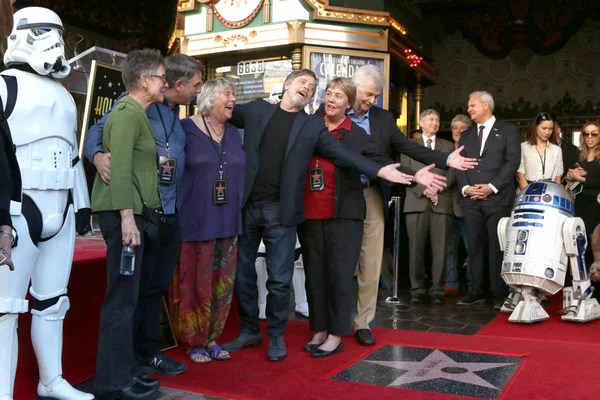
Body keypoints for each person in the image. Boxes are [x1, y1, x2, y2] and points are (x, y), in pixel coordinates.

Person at [222, 68, 447, 362]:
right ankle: (257, 329)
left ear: (347, 102)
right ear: (287, 85)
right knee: (249, 274)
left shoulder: (310, 127)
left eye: (316, 87)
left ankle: (281, 335)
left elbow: (348, 155)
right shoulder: (259, 111)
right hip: (265, 209)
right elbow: (222, 112)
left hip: (297, 212)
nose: (313, 90)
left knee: (283, 279)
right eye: (309, 85)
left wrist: (390, 171)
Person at [336, 65, 477, 347]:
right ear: (352, 89)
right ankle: (332, 320)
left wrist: (446, 160)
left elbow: (411, 148)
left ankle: (363, 322)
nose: (371, 101)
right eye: (367, 95)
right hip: (339, 193)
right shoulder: (333, 112)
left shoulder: (384, 119)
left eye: (376, 96)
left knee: (371, 260)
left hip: (371, 192)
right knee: (337, 258)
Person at [85, 53, 203, 377]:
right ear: (175, 83)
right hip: (140, 212)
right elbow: (98, 131)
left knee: (154, 287)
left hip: (167, 211)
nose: (197, 92)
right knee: (129, 293)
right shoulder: (130, 106)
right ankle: (126, 367)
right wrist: (97, 156)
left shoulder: (175, 113)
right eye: (195, 85)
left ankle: (147, 354)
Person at [1, 7, 93, 400]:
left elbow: (72, 156)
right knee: (5, 308)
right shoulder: (5, 86)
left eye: (57, 31)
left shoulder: (63, 95)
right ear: (20, 34)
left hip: (62, 207)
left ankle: (51, 380)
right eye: (42, 31)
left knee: (53, 302)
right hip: (19, 208)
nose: (53, 40)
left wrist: (83, 207)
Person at [299, 78, 397, 358]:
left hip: (345, 214)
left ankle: (335, 333)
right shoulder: (310, 125)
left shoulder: (356, 136)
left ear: (348, 103)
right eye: (328, 94)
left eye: (338, 96)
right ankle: (318, 328)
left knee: (339, 275)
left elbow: (379, 161)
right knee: (314, 275)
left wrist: (413, 175)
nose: (331, 99)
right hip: (310, 213)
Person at [91, 48, 167, 399]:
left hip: (135, 214)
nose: (166, 83)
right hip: (126, 216)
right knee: (121, 300)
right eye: (162, 77)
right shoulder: (125, 113)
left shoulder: (137, 113)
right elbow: (118, 167)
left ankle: (127, 372)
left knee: (129, 298)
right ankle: (113, 383)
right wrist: (126, 219)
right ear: (144, 80)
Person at [168, 78, 245, 364]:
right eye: (228, 93)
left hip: (228, 222)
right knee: (193, 284)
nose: (233, 99)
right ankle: (194, 341)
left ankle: (212, 337)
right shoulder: (184, 129)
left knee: (221, 285)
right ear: (210, 99)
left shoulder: (237, 133)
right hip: (194, 220)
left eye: (234, 94)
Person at [456, 91, 521, 309]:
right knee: (474, 246)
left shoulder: (509, 130)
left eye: (472, 105)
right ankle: (476, 290)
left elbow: (512, 163)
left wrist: (491, 187)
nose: (469, 109)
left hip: (498, 198)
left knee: (497, 246)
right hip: (471, 200)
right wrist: (466, 188)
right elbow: (459, 164)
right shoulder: (466, 135)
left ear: (485, 105)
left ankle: (498, 293)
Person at [402, 109, 456, 304]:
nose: (435, 123)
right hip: (417, 202)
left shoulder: (448, 146)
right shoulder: (408, 146)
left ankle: (436, 291)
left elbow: (452, 173)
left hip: (440, 203)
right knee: (415, 248)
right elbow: (405, 170)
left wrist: (436, 190)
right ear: (421, 122)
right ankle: (417, 289)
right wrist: (424, 189)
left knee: (440, 250)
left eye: (437, 120)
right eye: (431, 119)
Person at [566, 122, 600, 275]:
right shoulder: (579, 155)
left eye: (594, 133)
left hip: (596, 204)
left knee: (596, 245)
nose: (590, 137)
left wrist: (582, 179)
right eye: (586, 133)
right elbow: (572, 181)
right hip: (580, 204)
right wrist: (571, 176)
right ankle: (583, 281)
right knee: (580, 244)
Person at [444, 114, 472, 296]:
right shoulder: (444, 149)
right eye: (455, 128)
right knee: (448, 248)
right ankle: (450, 283)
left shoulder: (474, 149)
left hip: (467, 206)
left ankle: (473, 285)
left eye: (463, 128)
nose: (458, 131)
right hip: (446, 207)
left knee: (472, 248)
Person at [516, 112, 563, 190]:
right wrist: (529, 195)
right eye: (544, 128)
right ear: (536, 127)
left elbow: (557, 177)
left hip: (549, 192)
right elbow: (520, 175)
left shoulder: (556, 150)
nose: (547, 132)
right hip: (526, 190)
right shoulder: (523, 147)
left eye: (550, 129)